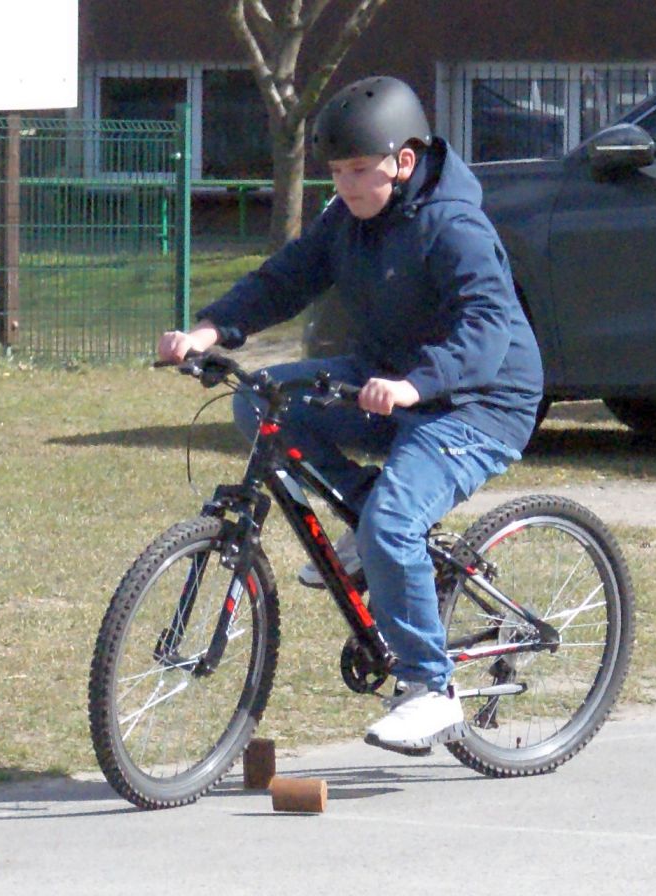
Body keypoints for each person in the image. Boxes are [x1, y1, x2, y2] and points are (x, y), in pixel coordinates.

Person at [156, 76, 544, 754]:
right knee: (260, 400)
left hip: (479, 402)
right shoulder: (348, 219)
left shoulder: (454, 227)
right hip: (388, 378)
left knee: (395, 522)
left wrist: (415, 386)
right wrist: (211, 330)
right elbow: (286, 278)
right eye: (336, 172)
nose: (346, 185)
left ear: (404, 160)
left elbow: (487, 330)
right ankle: (368, 522)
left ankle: (431, 688)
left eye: (360, 170)